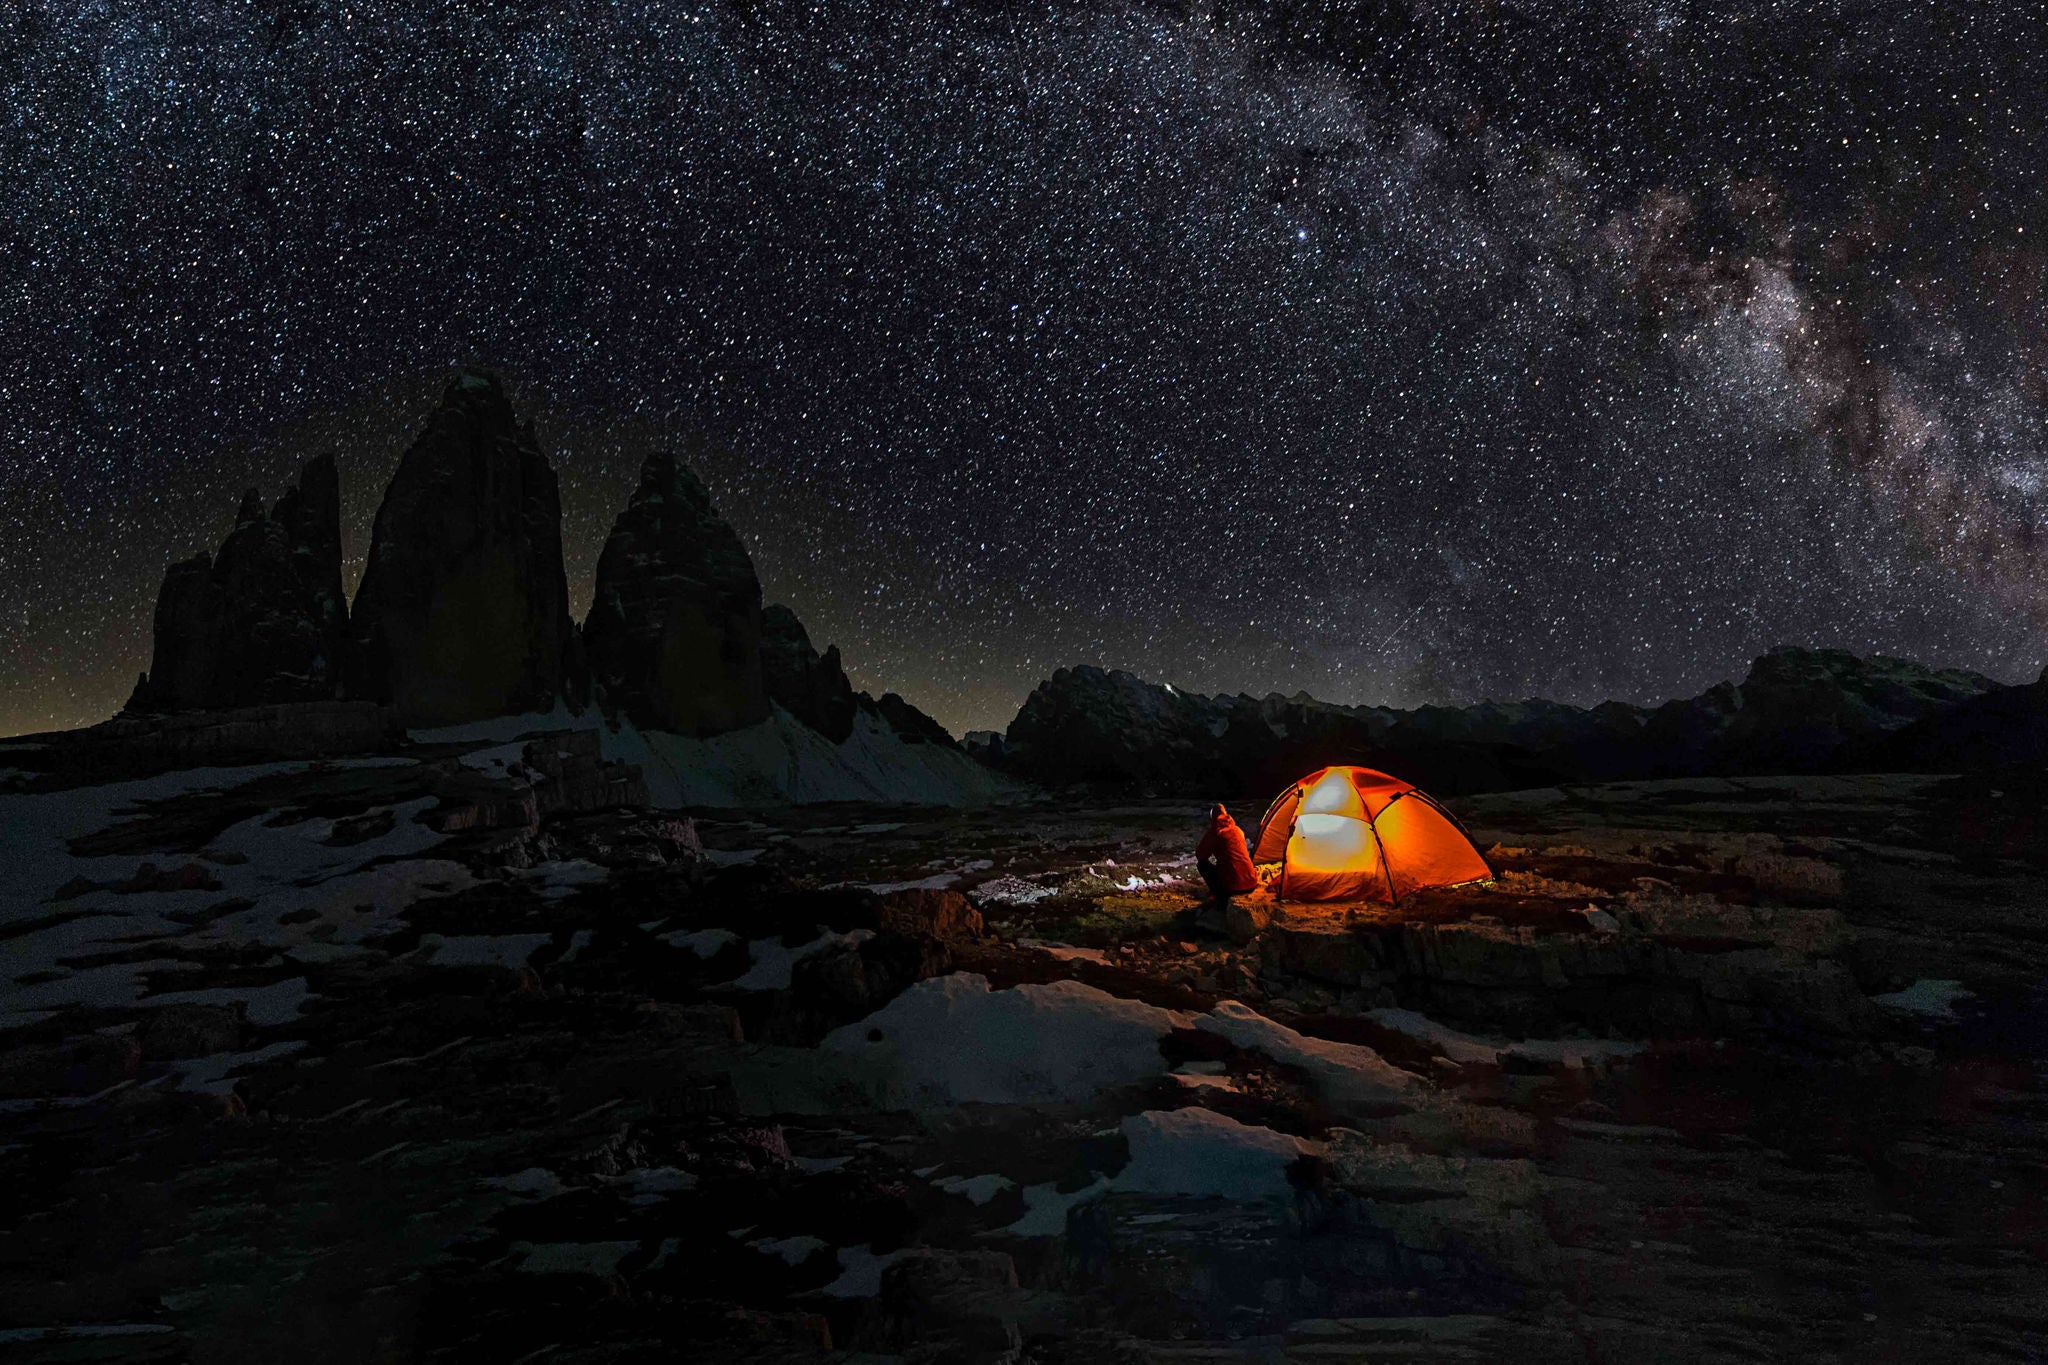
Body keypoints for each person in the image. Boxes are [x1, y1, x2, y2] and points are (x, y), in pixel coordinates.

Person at [1195, 803, 1259, 906]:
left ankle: (1219, 897)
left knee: (1202, 865)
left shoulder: (1215, 832)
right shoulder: (1238, 830)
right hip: (1252, 881)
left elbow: (1200, 855)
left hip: (1235, 886)